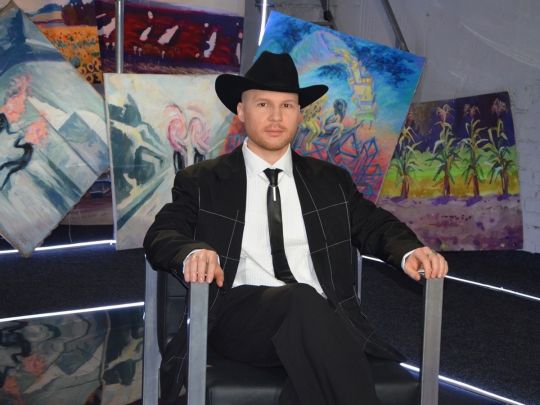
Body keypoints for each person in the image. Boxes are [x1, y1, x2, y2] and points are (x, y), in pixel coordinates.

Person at [144, 51, 448, 404]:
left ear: (300, 114)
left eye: (287, 106)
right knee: (302, 299)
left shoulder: (329, 181)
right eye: (263, 104)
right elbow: (162, 234)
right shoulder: (203, 181)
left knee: (310, 335)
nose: (276, 117)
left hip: (320, 321)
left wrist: (410, 250)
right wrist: (192, 251)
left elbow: (374, 224)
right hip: (239, 319)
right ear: (241, 111)